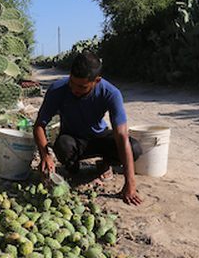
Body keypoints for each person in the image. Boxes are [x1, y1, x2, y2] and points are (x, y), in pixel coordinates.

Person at [33, 51, 143, 205]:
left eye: (81, 86)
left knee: (134, 148)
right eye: (72, 82)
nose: (74, 89)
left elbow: (121, 136)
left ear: (96, 81)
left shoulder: (111, 93)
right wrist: (45, 155)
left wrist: (130, 183)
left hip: (99, 137)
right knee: (62, 146)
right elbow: (39, 125)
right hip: (72, 139)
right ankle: (73, 167)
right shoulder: (57, 89)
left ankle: (105, 164)